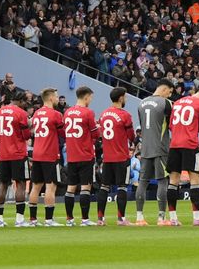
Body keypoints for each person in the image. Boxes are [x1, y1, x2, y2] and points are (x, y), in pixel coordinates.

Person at [165, 85, 199, 226]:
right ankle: (197, 218)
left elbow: (171, 126)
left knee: (173, 181)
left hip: (175, 145)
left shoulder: (178, 102)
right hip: (190, 145)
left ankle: (173, 218)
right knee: (195, 180)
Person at [134, 79, 173, 225]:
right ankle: (161, 218)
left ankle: (139, 218)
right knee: (163, 181)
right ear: (164, 89)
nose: (169, 95)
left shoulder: (141, 103)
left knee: (142, 182)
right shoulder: (166, 103)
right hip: (161, 147)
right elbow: (172, 123)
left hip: (145, 148)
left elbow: (143, 125)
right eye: (169, 92)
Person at [97, 86, 136, 226]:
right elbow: (132, 136)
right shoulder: (125, 115)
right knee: (122, 187)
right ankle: (121, 219)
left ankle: (100, 219)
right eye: (125, 96)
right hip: (121, 156)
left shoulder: (103, 114)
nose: (126, 99)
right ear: (120, 98)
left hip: (107, 157)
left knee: (104, 187)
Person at [63, 86, 99, 226]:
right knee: (85, 187)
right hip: (85, 154)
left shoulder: (67, 112)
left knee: (70, 188)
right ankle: (84, 219)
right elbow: (96, 134)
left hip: (71, 155)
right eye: (91, 97)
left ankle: (69, 219)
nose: (91, 100)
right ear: (86, 97)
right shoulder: (88, 112)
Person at [0, 91, 30, 226]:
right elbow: (26, 136)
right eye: (25, 101)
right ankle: (19, 219)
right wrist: (31, 127)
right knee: (20, 184)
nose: (26, 104)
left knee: (2, 184)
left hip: (3, 154)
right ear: (20, 101)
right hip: (18, 153)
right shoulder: (21, 113)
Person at [27, 87, 63, 226]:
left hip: (37, 154)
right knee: (51, 186)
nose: (57, 99)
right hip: (50, 154)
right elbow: (63, 133)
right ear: (50, 98)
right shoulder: (55, 114)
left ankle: (33, 220)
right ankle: (48, 219)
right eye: (56, 96)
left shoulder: (37, 114)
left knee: (36, 187)